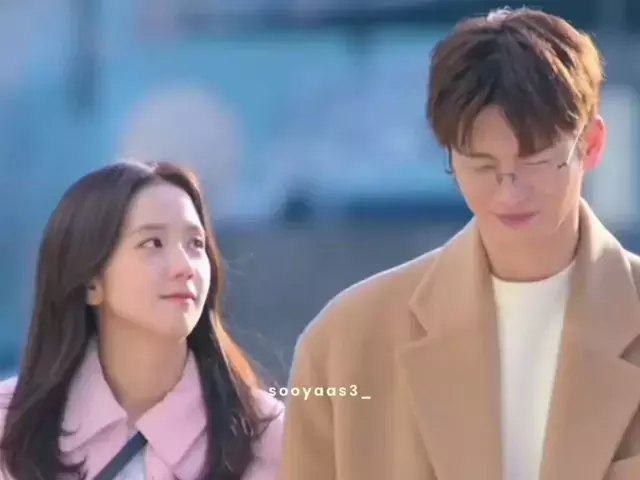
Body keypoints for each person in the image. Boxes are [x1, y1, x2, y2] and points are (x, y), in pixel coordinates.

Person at [280, 7, 640, 480]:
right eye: (482, 165)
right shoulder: (345, 344)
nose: (509, 192)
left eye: (536, 161)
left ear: (591, 145)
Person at [0, 161, 283, 479]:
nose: (185, 267)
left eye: (196, 244)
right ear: (91, 281)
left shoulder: (266, 437)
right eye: (153, 243)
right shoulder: (11, 426)